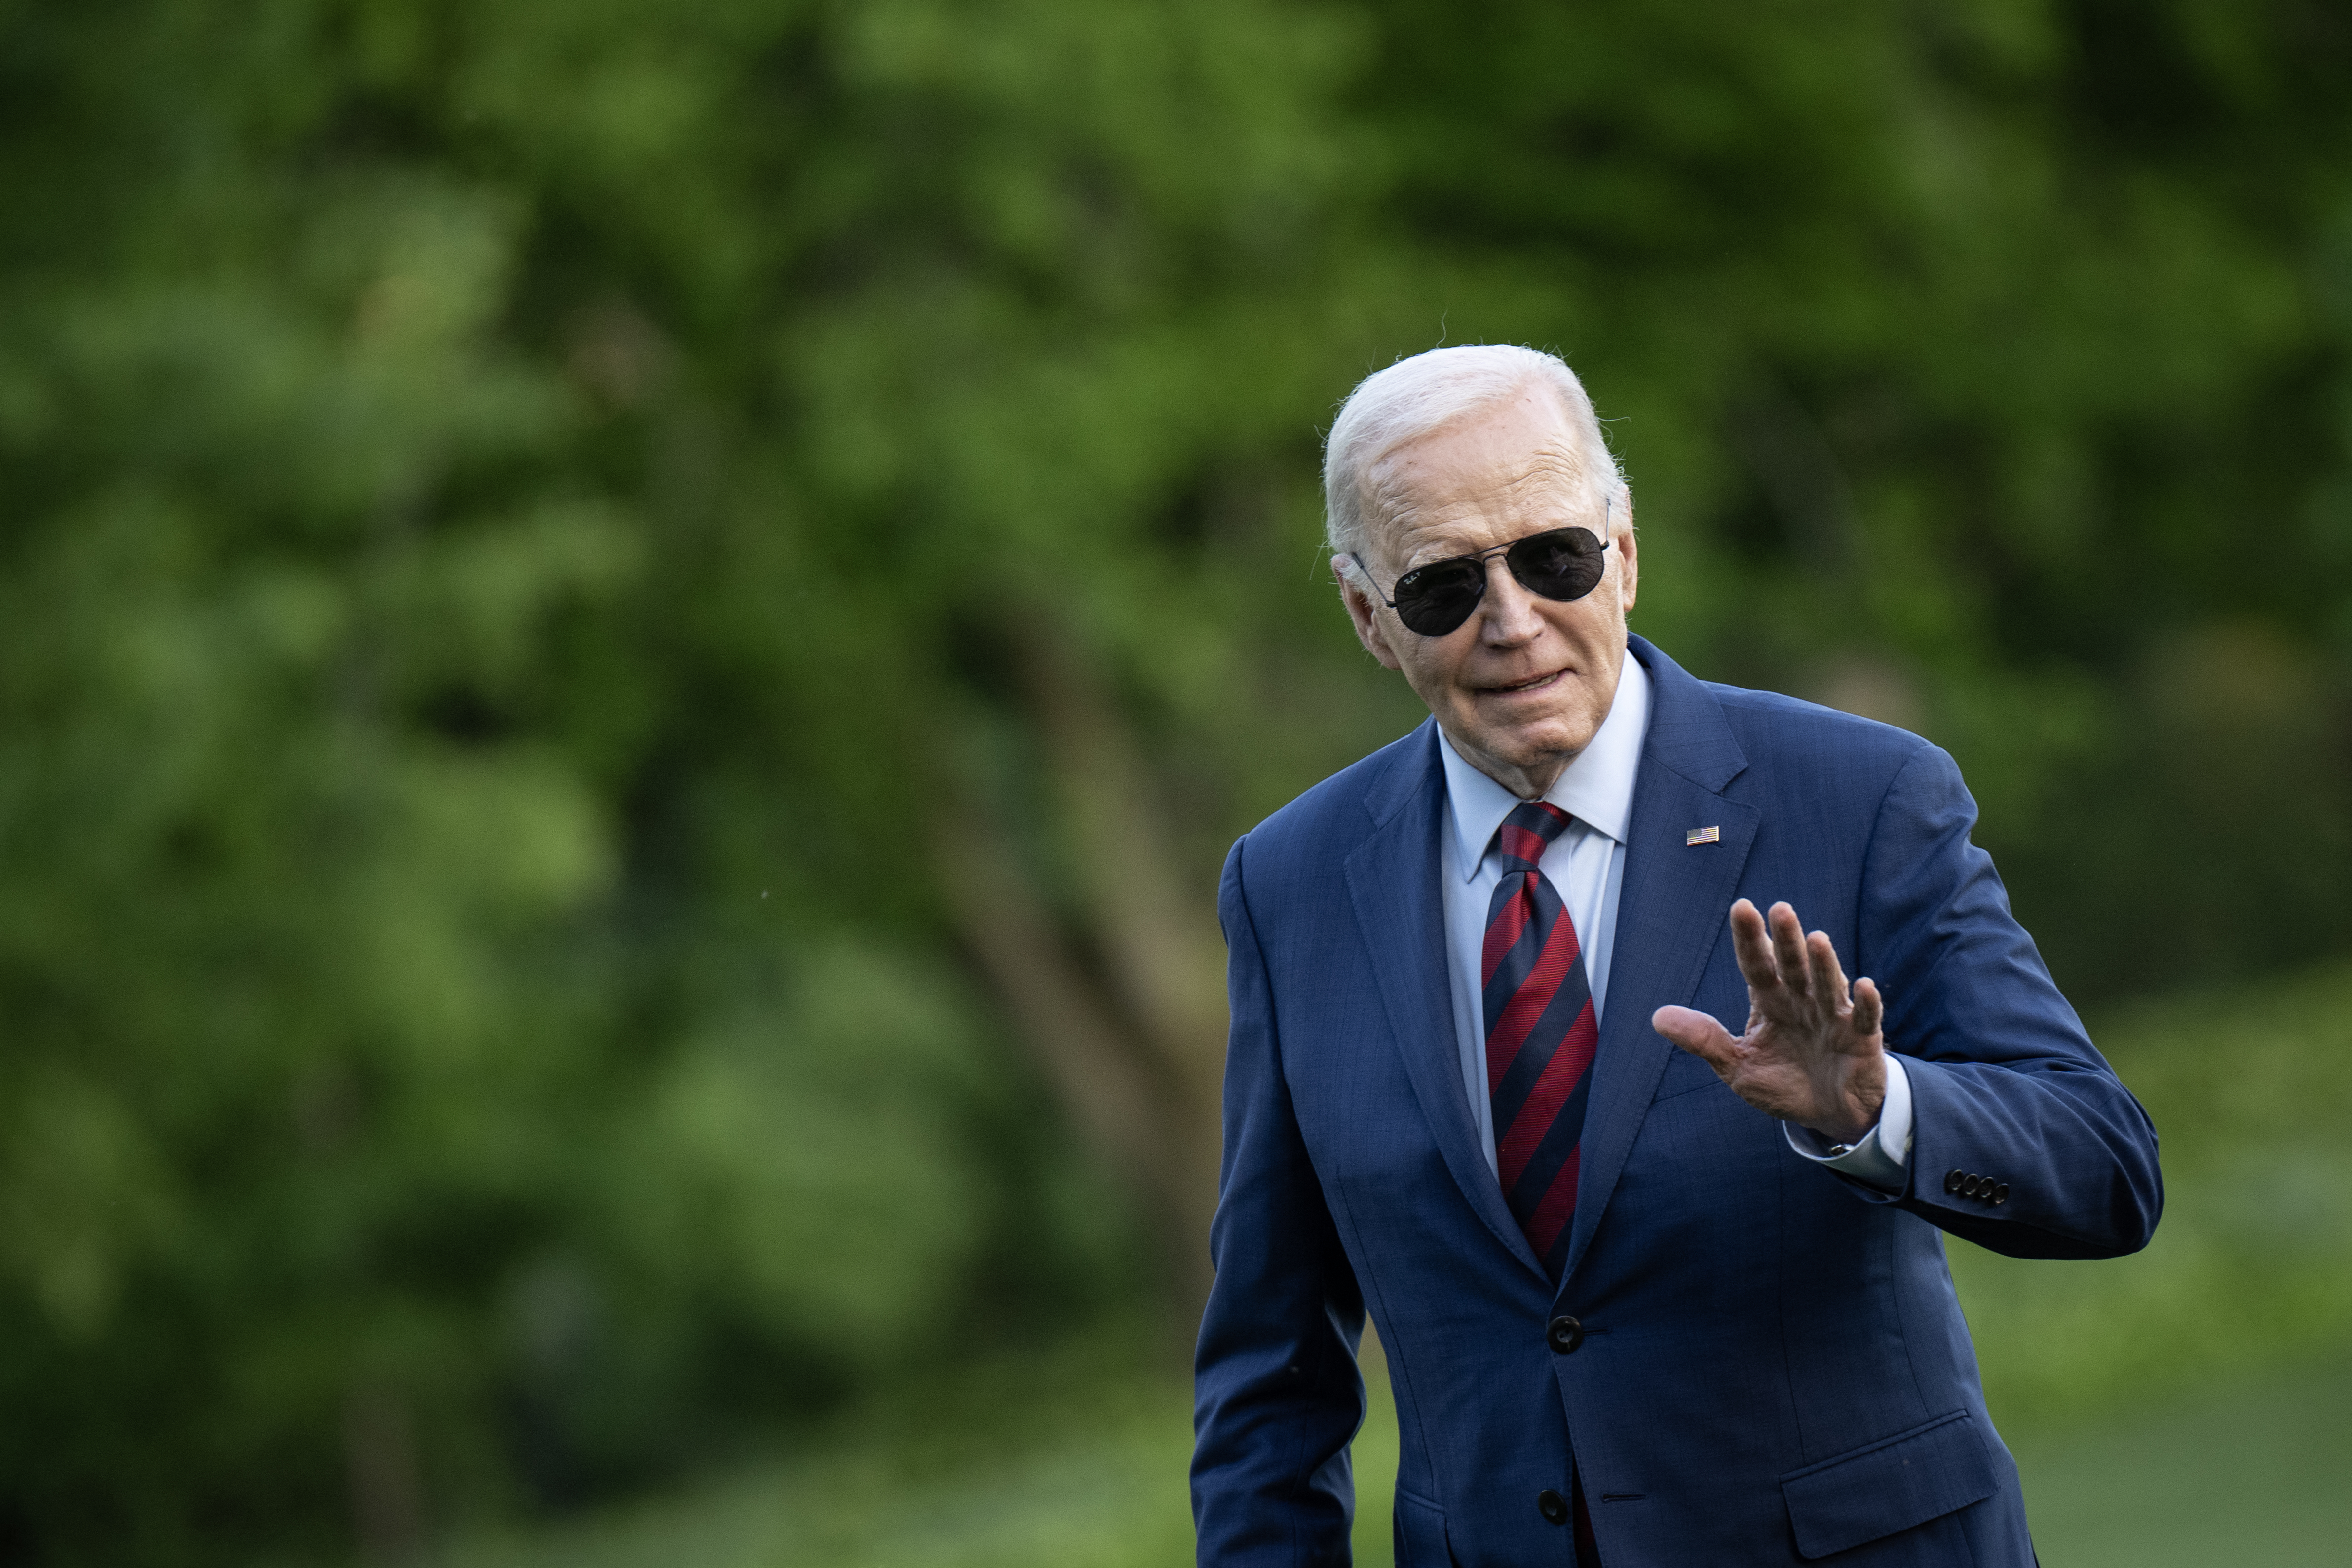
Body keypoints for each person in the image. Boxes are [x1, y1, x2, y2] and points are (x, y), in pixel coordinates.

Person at [1189, 344, 2161, 1568]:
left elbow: (2107, 1169)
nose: (1511, 621)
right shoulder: (1287, 884)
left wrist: (1877, 1110)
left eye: (1553, 558)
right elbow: (1269, 1369)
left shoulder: (1861, 798)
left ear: (1626, 550)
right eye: (1442, 586)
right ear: (1365, 615)